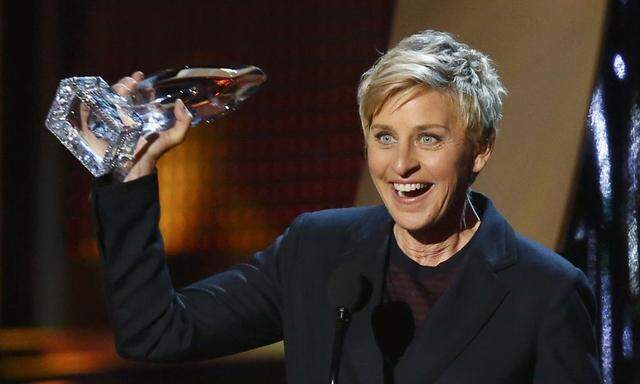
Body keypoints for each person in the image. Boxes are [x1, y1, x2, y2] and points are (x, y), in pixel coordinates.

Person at [91, 30, 601, 383]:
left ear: (480, 149)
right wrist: (130, 176)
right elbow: (155, 333)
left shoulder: (545, 292)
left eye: (428, 139)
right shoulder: (318, 250)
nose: (401, 165)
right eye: (384, 137)